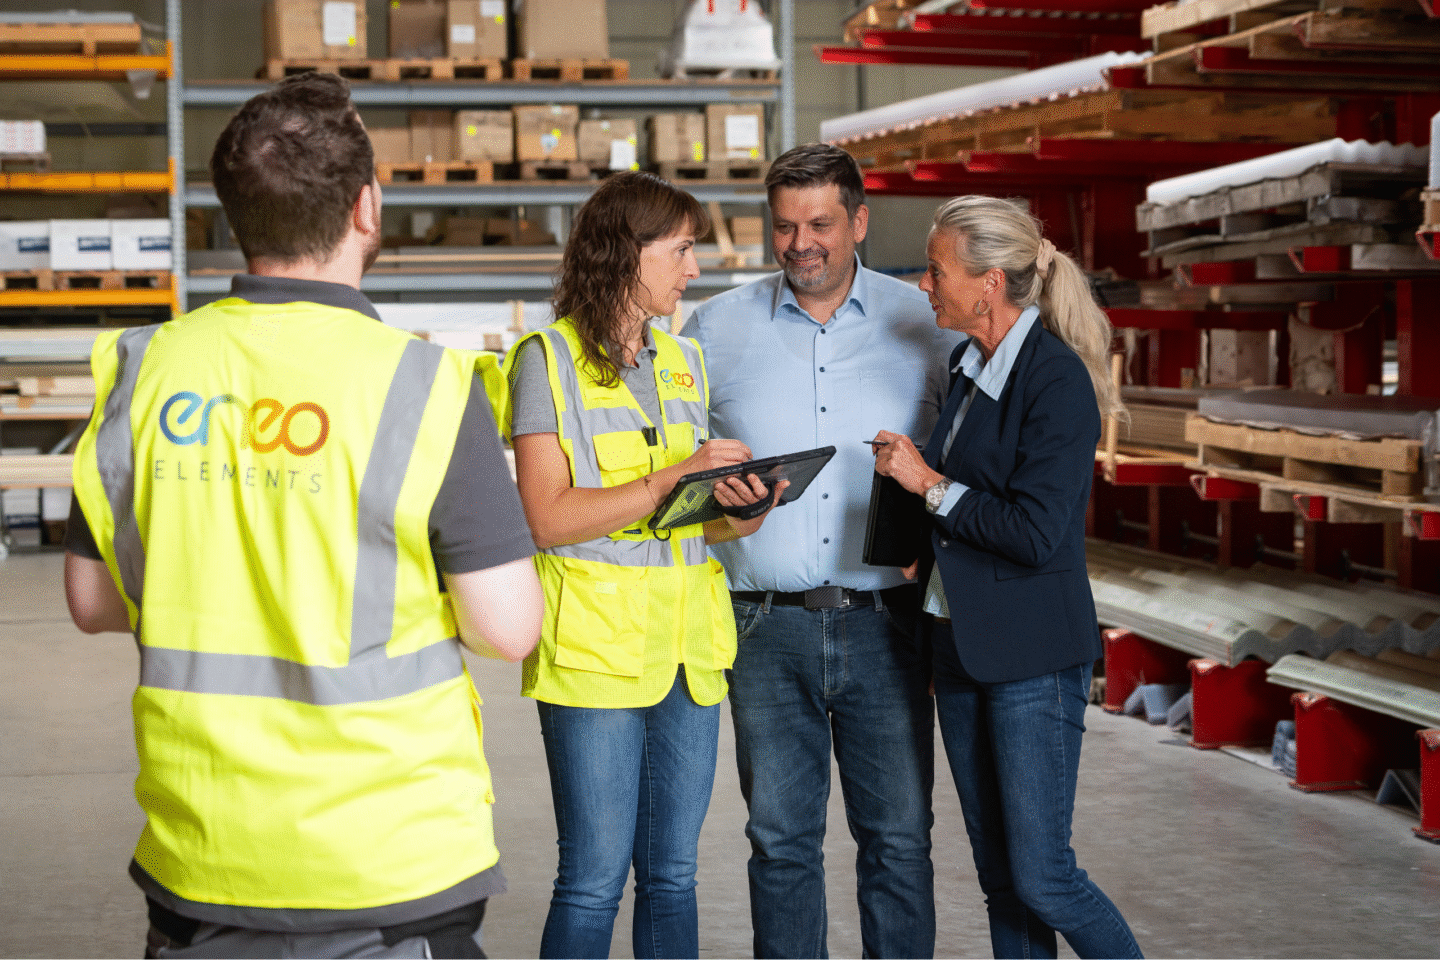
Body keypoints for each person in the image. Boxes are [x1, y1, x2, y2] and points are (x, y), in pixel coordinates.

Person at [62, 72, 544, 958]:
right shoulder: (425, 387)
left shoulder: (145, 371)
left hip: (205, 854)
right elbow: (507, 628)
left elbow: (94, 602)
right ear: (367, 207)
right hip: (389, 862)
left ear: (233, 212)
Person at [682, 143, 958, 959]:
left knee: (901, 843)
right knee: (781, 846)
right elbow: (680, 471)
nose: (802, 242)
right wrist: (717, 500)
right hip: (763, 629)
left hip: (888, 624)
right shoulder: (715, 329)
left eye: (821, 223)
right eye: (785, 226)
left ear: (859, 222)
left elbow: (964, 457)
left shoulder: (923, 324)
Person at [502, 170, 782, 960]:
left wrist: (739, 509)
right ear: (628, 252)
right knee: (592, 878)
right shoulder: (545, 361)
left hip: (688, 654)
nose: (695, 269)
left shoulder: (682, 361)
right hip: (594, 658)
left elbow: (682, 523)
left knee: (673, 876)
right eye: (683, 249)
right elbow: (546, 517)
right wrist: (665, 478)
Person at [871, 195, 1142, 960]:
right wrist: (914, 523)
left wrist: (927, 484)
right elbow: (961, 504)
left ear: (989, 283)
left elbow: (1032, 531)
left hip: (1030, 660)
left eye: (936, 270)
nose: (924, 285)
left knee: (1045, 876)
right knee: (1000, 877)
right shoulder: (969, 367)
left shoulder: (1055, 380)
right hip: (960, 648)